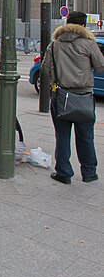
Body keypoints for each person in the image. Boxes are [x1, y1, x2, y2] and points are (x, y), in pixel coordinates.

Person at [42, 10, 104, 184]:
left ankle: (63, 172)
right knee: (86, 136)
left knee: (62, 136)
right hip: (84, 95)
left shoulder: (54, 45)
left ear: (66, 23)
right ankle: (89, 173)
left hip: (61, 95)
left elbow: (45, 69)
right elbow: (100, 67)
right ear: (83, 25)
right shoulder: (89, 44)